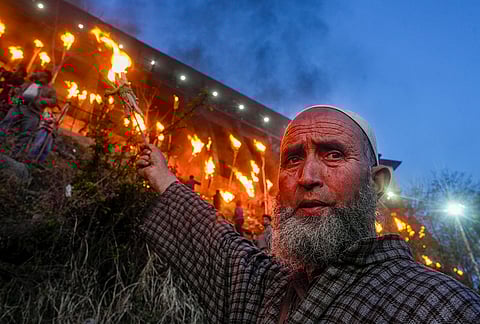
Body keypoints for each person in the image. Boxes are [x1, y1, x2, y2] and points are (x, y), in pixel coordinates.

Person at [137, 105, 480, 323]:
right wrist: (163, 177)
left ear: (376, 183)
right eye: (293, 159)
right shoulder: (262, 287)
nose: (307, 177)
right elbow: (216, 242)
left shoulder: (440, 306)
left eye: (333, 155)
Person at [0, 70, 57, 158]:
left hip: (33, 113)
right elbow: (19, 90)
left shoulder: (50, 89)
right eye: (39, 74)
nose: (40, 76)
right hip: (19, 106)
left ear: (47, 78)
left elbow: (54, 101)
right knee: (5, 124)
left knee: (25, 134)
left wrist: (42, 101)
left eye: (42, 75)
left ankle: (14, 155)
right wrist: (16, 94)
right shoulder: (29, 83)